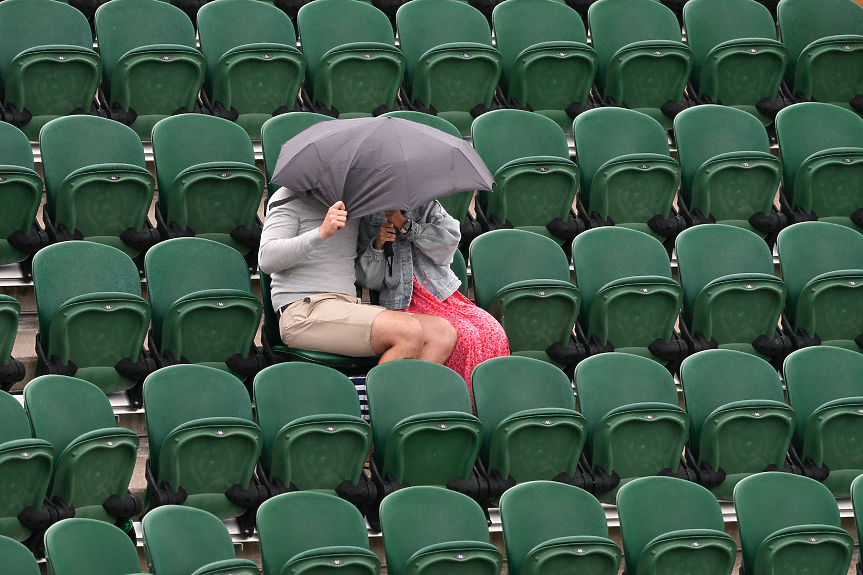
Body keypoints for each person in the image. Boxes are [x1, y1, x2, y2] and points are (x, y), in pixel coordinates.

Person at [259, 188, 457, 364]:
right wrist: (321, 233)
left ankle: (408, 404)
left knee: (442, 333)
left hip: (347, 306)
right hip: (303, 310)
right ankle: (382, 404)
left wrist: (386, 235)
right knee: (409, 332)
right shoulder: (288, 196)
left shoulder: (353, 204)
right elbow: (267, 259)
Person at [356, 201, 510, 390]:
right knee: (465, 337)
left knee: (492, 331)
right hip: (405, 300)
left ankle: (482, 406)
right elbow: (368, 280)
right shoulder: (367, 218)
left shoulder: (428, 206)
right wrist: (378, 245)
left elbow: (449, 247)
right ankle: (449, 402)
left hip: (444, 294)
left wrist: (406, 225)